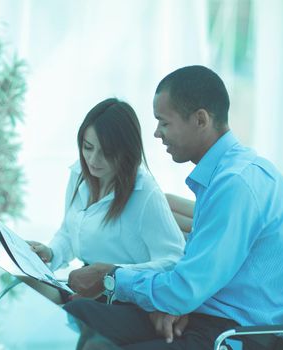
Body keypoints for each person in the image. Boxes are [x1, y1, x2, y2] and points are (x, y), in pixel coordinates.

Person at [63, 66, 283, 350]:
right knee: (78, 316)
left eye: (164, 123)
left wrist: (111, 277)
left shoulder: (236, 184)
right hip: (201, 315)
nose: (157, 134)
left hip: (236, 336)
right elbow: (191, 282)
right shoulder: (222, 176)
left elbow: (185, 289)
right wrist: (177, 305)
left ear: (201, 120)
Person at [28, 98, 185, 301]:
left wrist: (111, 273)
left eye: (106, 152)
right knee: (23, 286)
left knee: (63, 310)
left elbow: (174, 261)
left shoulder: (145, 193)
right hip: (84, 287)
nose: (93, 160)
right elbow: (69, 230)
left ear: (127, 151)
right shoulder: (80, 174)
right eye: (88, 147)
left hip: (122, 296)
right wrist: (51, 252)